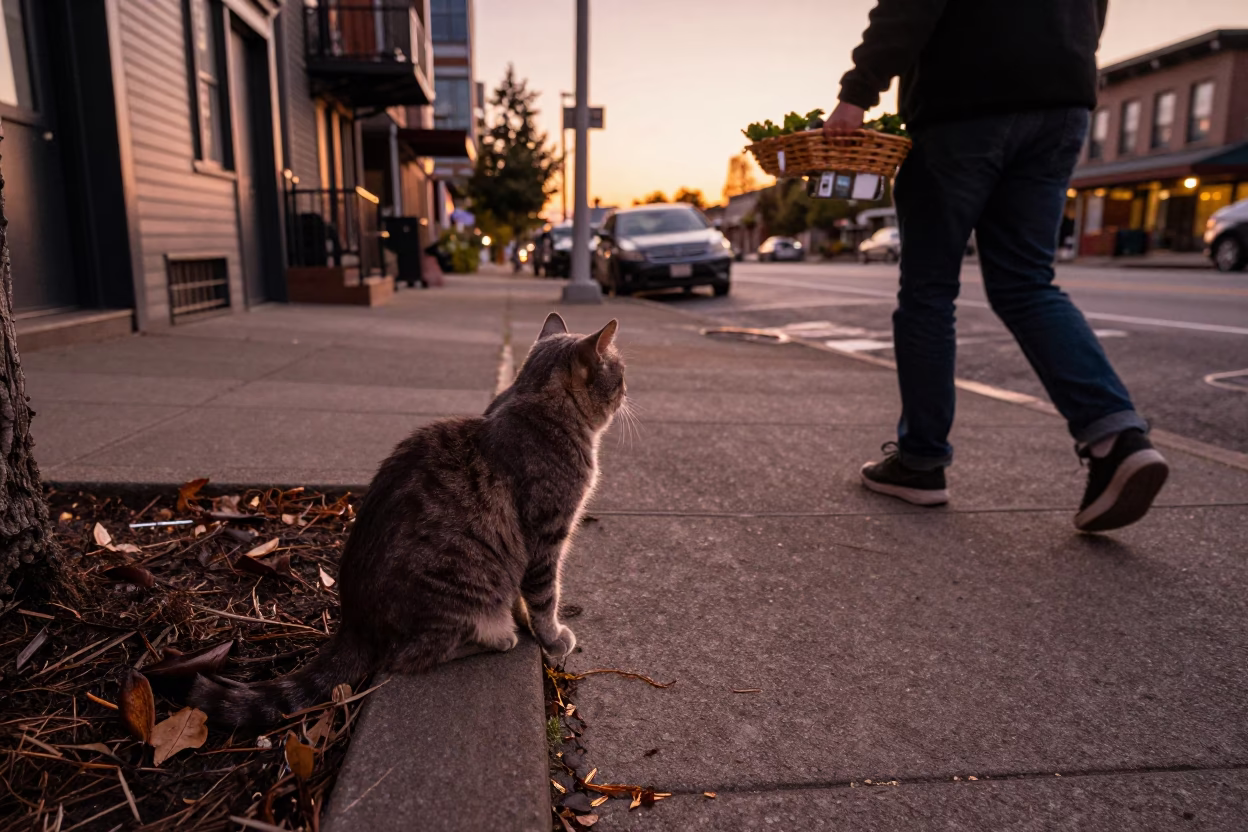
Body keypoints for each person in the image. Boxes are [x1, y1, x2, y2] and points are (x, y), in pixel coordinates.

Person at [825, 0, 1168, 532]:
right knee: (1028, 283)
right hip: (1061, 99)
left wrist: (856, 93)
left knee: (928, 293)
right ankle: (1114, 437)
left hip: (963, 105)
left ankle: (920, 464)